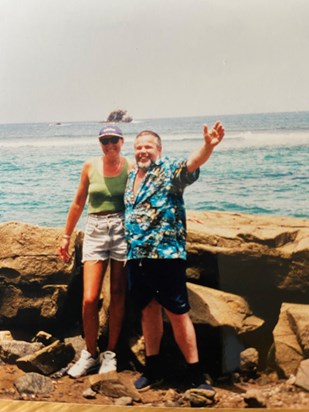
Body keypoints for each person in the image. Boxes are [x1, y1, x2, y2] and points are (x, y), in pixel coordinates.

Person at [124, 121, 225, 391]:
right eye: (138, 147)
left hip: (166, 256)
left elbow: (192, 164)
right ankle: (153, 369)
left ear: (159, 149)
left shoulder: (169, 171)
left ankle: (196, 373)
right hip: (136, 256)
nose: (142, 151)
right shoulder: (132, 176)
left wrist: (208, 146)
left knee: (178, 313)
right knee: (148, 311)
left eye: (148, 146)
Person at [59, 125, 130, 378]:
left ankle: (110, 354)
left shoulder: (131, 167)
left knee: (119, 293)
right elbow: (79, 202)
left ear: (122, 141)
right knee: (90, 299)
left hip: (122, 228)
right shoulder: (90, 166)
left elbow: (146, 198)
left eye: (114, 140)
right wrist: (66, 235)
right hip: (96, 228)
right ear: (100, 143)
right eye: (105, 141)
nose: (110, 145)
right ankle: (90, 353)